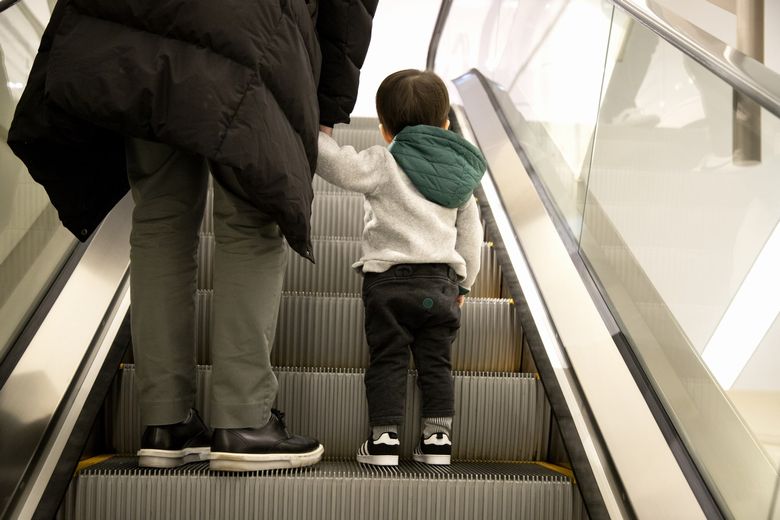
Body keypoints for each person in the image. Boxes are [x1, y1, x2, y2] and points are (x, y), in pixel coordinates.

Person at [9, 0, 377, 472]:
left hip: (138, 29)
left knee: (159, 216)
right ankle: (244, 422)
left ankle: (166, 423)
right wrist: (329, 101)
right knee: (251, 218)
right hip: (257, 32)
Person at [316, 69, 487, 466]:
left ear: (385, 130)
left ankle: (383, 441)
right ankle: (438, 440)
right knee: (436, 361)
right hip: (441, 283)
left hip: (388, 282)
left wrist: (311, 131)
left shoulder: (383, 162)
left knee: (388, 358)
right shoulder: (461, 179)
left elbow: (339, 166)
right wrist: (464, 286)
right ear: (445, 125)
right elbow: (470, 237)